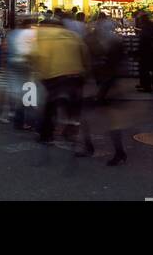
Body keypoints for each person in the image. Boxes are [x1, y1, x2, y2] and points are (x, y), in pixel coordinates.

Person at [31, 17, 87, 148]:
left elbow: (40, 55)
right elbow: (84, 52)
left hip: (55, 75)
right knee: (72, 104)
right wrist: (85, 72)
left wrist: (42, 75)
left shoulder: (43, 34)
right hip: (76, 73)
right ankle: (71, 128)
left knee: (50, 106)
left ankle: (46, 135)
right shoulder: (72, 35)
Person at [85, 13, 130, 165]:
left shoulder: (95, 41)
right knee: (110, 120)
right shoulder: (117, 41)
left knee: (91, 117)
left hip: (101, 85)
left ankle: (91, 147)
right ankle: (119, 151)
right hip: (108, 85)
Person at [136, 14, 153, 92]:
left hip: (146, 51)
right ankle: (145, 84)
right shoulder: (150, 26)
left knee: (144, 69)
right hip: (150, 50)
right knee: (146, 69)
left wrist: (139, 51)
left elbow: (144, 40)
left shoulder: (146, 28)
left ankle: (147, 86)